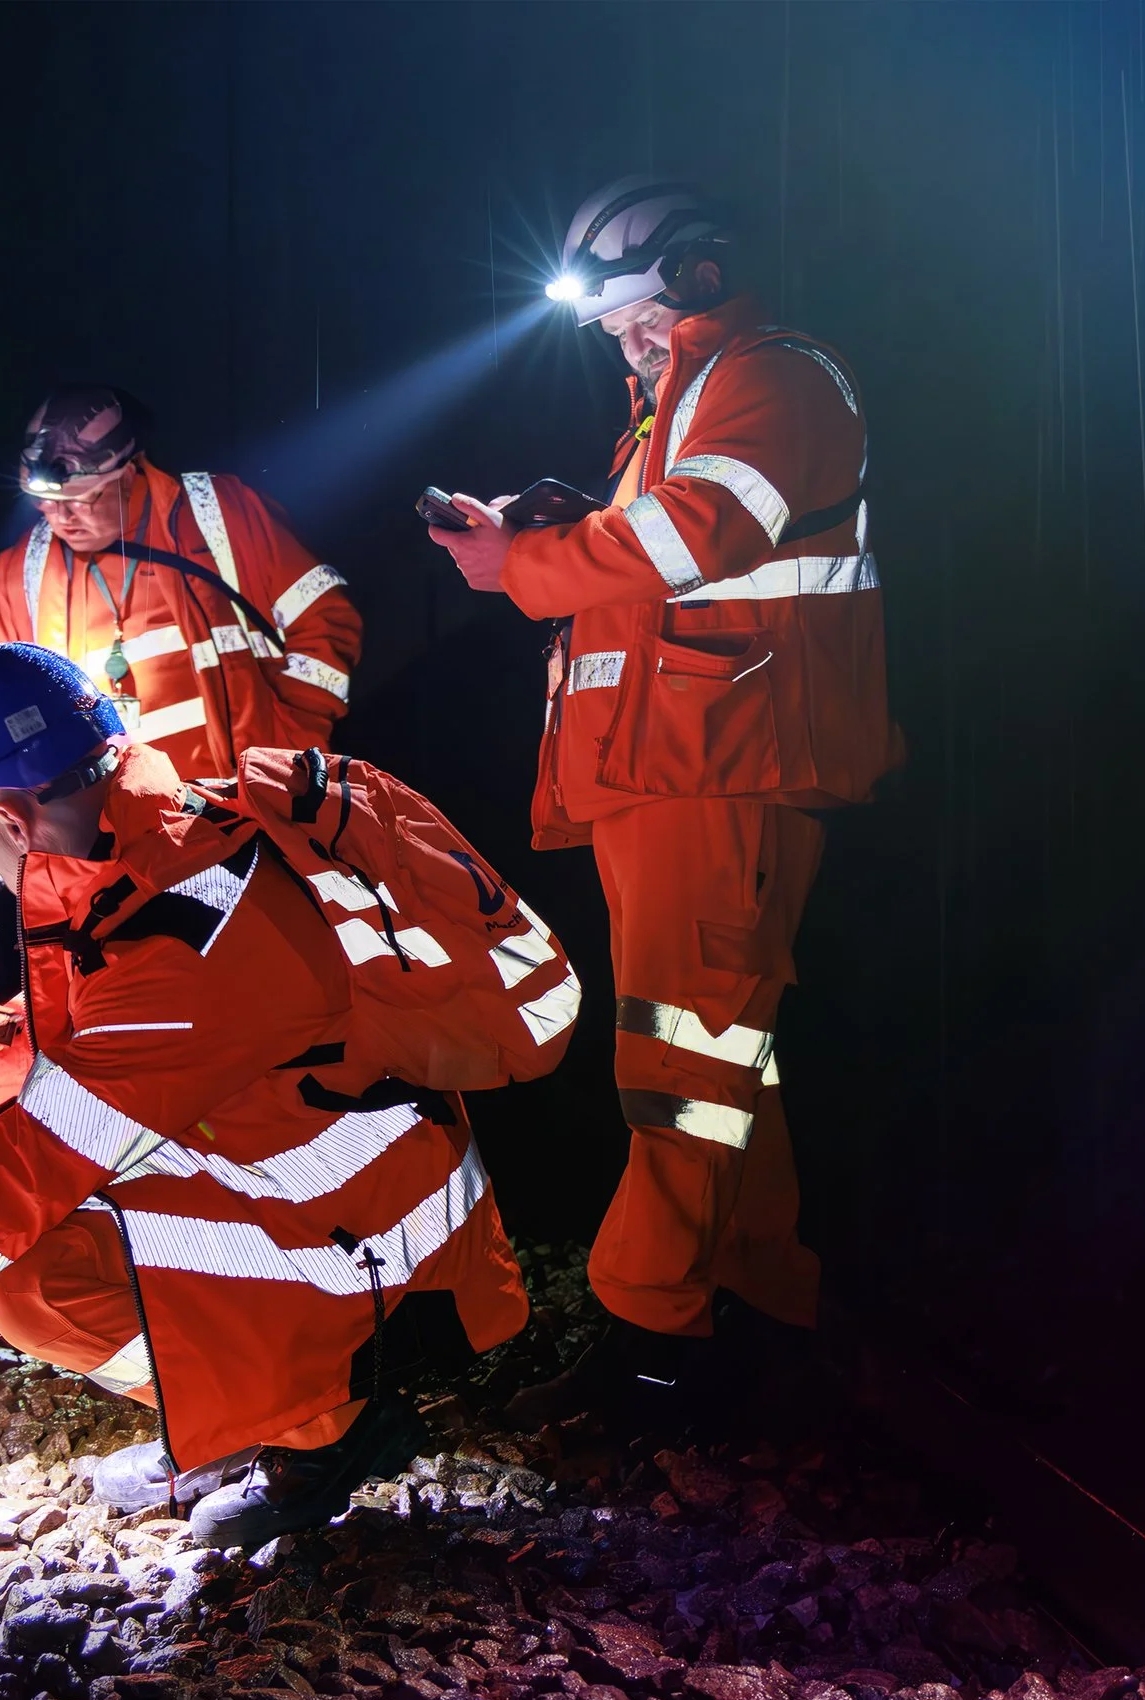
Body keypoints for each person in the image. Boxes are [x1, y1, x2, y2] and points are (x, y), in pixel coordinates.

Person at [0, 644, 528, 1546]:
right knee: (49, 1246)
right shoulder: (171, 834)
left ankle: (324, 1425)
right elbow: (149, 1037)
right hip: (359, 1194)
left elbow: (23, 1172)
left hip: (378, 1254)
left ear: (13, 822)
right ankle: (250, 1402)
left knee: (33, 1282)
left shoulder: (179, 935)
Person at [426, 177, 901, 1429]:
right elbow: (669, 546)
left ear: (697, 278)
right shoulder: (681, 401)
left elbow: (691, 537)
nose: (625, 344)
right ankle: (758, 1307)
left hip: (719, 772)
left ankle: (647, 1347)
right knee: (721, 1052)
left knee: (679, 1061)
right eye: (613, 331)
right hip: (675, 770)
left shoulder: (773, 375)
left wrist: (519, 563)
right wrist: (574, 528)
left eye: (637, 317)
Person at [0, 386, 359, 779]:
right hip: (109, 842)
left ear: (128, 473)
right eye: (44, 503)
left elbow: (326, 621)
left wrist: (289, 750)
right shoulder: (21, 568)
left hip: (239, 813)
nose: (59, 517)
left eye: (80, 500)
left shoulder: (218, 513)